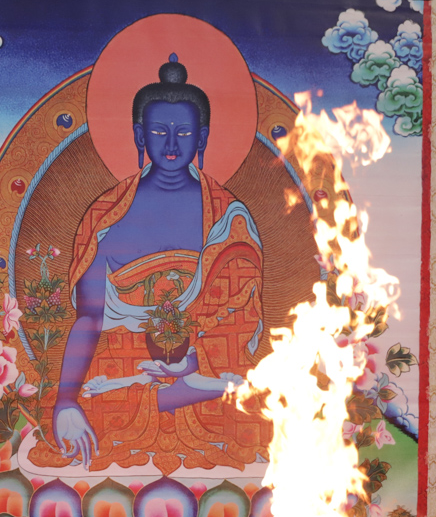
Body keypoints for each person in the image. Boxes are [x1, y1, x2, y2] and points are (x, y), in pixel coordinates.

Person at [31, 55, 269, 476]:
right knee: (75, 409)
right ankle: (178, 393)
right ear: (139, 134)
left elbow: (237, 321)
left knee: (260, 404)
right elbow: (89, 318)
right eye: (159, 132)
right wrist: (67, 399)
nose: (172, 145)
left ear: (203, 137)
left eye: (185, 133)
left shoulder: (227, 218)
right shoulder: (105, 217)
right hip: (124, 367)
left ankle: (189, 388)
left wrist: (191, 363)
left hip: (201, 362)